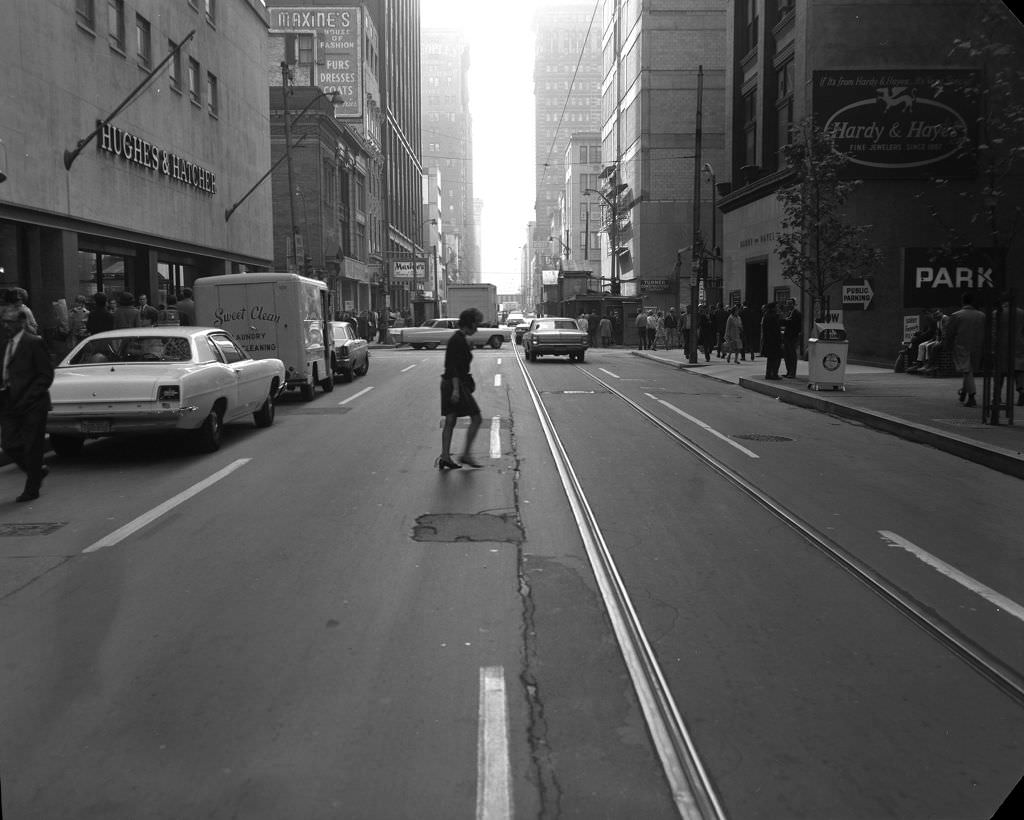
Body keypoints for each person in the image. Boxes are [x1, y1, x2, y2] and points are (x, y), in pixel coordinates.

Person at [1, 306, 54, 502]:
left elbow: (46, 375)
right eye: (4, 321)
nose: (6, 325)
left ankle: (32, 488)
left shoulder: (33, 343)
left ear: (21, 322)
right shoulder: (4, 343)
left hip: (33, 403)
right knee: (9, 443)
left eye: (10, 322)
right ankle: (37, 470)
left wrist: (29, 396)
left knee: (33, 446)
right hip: (8, 401)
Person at [438, 308, 483, 470]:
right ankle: (465, 454)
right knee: (476, 417)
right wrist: (456, 390)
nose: (477, 328)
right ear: (470, 323)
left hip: (449, 383)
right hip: (455, 384)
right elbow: (453, 367)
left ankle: (445, 457)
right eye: (476, 324)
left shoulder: (459, 339)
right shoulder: (457, 340)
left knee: (450, 420)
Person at [944, 291, 986, 407]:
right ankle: (964, 391)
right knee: (969, 371)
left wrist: (948, 346)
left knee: (967, 371)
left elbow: (950, 333)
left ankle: (971, 396)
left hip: (961, 346)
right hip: (978, 346)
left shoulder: (956, 315)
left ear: (963, 301)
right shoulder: (982, 315)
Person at [992, 293, 1024, 409]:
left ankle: (997, 396)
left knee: (999, 372)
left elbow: (994, 332)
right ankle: (1021, 391)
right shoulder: (1021, 313)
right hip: (1018, 344)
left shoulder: (997, 313)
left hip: (1002, 345)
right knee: (1019, 370)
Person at [781, 297, 803, 378]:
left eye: (790, 304)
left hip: (793, 337)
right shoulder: (789, 313)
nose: (788, 305)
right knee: (787, 355)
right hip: (787, 337)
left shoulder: (797, 313)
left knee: (792, 355)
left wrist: (785, 322)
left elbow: (796, 326)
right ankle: (788, 371)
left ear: (794, 304)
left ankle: (792, 372)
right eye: (787, 303)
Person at [761, 301, 784, 379]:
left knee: (770, 358)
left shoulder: (766, 316)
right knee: (777, 357)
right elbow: (776, 330)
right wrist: (780, 340)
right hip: (774, 340)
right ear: (773, 308)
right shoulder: (774, 317)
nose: (778, 308)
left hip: (768, 340)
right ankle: (774, 374)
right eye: (777, 307)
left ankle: (768, 373)